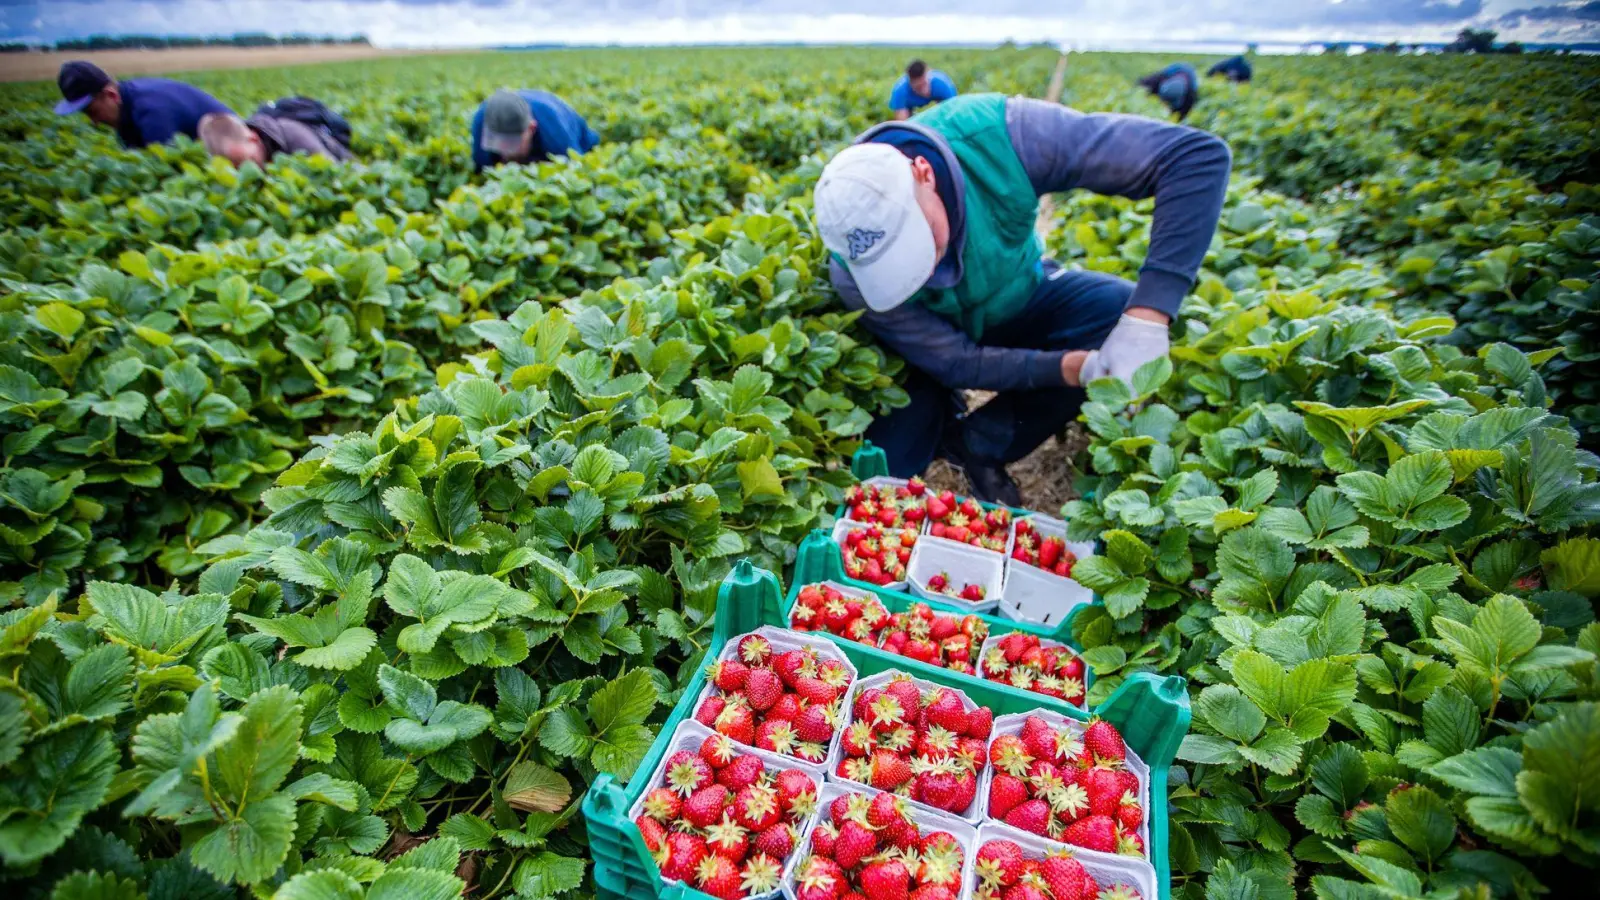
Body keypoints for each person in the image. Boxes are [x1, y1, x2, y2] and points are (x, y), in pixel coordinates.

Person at [812, 93, 1231, 504]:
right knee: (888, 473)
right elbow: (954, 360)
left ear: (925, 173)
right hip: (927, 352)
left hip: (1020, 296)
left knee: (1114, 311)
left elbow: (1194, 157)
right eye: (894, 268)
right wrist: (1068, 368)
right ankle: (937, 410)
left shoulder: (999, 136)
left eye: (918, 243)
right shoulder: (851, 271)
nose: (920, 271)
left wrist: (1148, 315)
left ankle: (977, 444)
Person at [53, 60, 231, 149]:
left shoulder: (151, 111)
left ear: (111, 95)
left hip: (233, 150)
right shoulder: (127, 102)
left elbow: (164, 167)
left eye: (94, 112)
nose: (95, 122)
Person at [470, 89, 599, 172]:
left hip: (574, 129)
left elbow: (577, 172)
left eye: (511, 142)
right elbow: (482, 171)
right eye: (498, 141)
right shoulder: (482, 121)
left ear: (531, 128)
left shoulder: (557, 134)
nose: (504, 150)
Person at [198, 108, 352, 169]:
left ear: (254, 138)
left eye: (249, 160)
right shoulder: (251, 149)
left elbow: (335, 171)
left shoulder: (296, 138)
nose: (248, 170)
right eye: (237, 168)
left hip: (341, 158)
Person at [888, 60, 958, 121]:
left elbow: (953, 114)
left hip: (940, 98)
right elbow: (903, 125)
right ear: (909, 82)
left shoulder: (943, 83)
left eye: (925, 84)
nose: (924, 91)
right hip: (909, 107)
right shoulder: (900, 91)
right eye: (918, 87)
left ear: (929, 76)